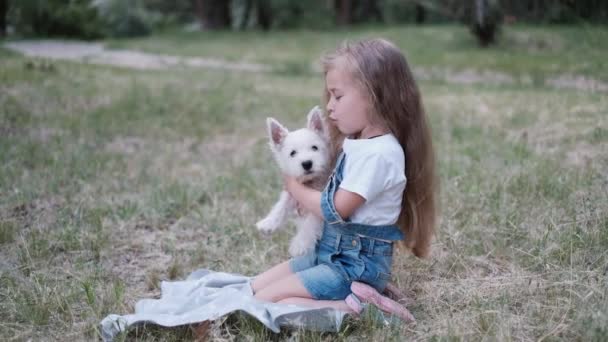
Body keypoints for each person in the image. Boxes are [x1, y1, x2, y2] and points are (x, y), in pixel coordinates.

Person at [251, 38, 437, 321]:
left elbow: (335, 209)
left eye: (337, 96)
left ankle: (364, 307)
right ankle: (362, 292)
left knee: (267, 302)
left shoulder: (380, 154)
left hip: (353, 265)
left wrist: (293, 187)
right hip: (332, 253)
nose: (329, 106)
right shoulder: (361, 143)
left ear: (375, 96)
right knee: (255, 288)